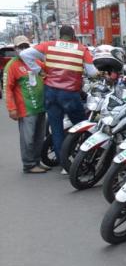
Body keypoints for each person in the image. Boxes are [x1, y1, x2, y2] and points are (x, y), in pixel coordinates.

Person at [18, 25, 98, 172]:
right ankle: (86, 158)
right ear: (74, 36)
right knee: (82, 127)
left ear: (60, 35)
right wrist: (100, 73)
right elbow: (92, 73)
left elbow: (25, 55)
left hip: (51, 92)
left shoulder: (49, 45)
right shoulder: (81, 49)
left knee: (56, 129)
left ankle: (64, 166)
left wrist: (38, 70)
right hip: (70, 94)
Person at [4, 36, 48, 173]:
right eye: (20, 47)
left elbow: (47, 73)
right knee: (28, 139)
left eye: (26, 47)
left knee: (40, 137)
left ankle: (36, 161)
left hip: (41, 106)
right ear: (15, 49)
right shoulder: (12, 65)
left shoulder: (35, 61)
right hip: (26, 108)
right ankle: (29, 164)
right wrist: (11, 109)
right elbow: (7, 88)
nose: (23, 50)